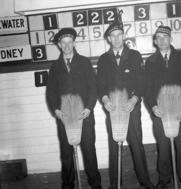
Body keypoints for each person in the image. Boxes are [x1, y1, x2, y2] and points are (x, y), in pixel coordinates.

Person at [96, 18, 154, 189]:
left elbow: (142, 82)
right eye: (112, 36)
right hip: (112, 109)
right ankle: (115, 183)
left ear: (123, 36)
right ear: (108, 39)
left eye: (119, 35)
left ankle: (145, 180)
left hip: (131, 107)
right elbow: (100, 84)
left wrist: (135, 99)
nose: (116, 39)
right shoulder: (103, 59)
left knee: (136, 143)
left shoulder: (134, 56)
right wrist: (105, 99)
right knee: (114, 145)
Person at [46, 28, 102, 189]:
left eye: (70, 42)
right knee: (66, 153)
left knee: (89, 151)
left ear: (74, 43)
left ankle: (95, 184)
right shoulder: (55, 66)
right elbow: (51, 92)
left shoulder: (84, 62)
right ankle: (68, 184)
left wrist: (89, 108)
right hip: (64, 117)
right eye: (63, 43)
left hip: (84, 115)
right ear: (59, 45)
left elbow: (93, 87)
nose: (67, 46)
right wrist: (56, 110)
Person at [145, 26, 181, 189]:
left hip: (179, 111)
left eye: (165, 37)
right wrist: (153, 107)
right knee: (163, 144)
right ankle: (164, 178)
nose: (162, 40)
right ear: (155, 42)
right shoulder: (151, 62)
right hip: (160, 111)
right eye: (159, 38)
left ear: (171, 39)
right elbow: (147, 89)